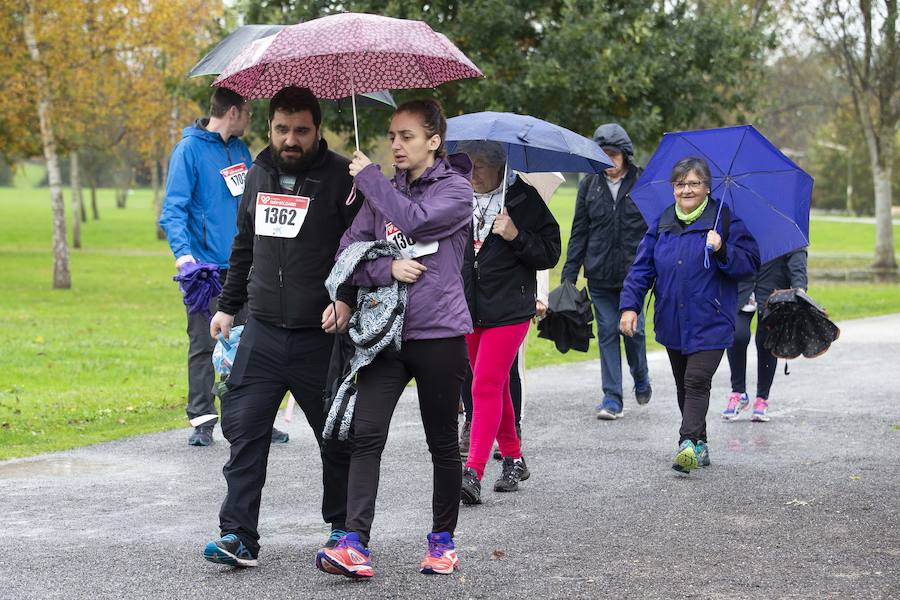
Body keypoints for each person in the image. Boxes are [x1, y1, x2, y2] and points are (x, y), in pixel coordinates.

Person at [201, 86, 358, 568]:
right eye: (282, 129)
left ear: (318, 131)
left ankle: (343, 531)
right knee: (245, 432)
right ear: (269, 128)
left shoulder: (341, 178)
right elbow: (244, 244)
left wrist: (348, 300)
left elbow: (362, 248)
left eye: (301, 131)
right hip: (263, 330)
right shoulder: (259, 172)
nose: (291, 139)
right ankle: (238, 536)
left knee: (336, 437)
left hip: (321, 335)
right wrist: (228, 307)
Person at [318, 99, 472, 578]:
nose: (396, 144)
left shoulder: (456, 190)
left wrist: (370, 181)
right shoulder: (383, 191)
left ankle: (442, 541)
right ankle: (355, 544)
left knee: (442, 442)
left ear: (434, 140)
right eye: (392, 135)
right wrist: (386, 268)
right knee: (366, 434)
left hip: (439, 332)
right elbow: (349, 251)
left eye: (407, 136)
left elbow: (417, 221)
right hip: (385, 334)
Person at [161, 87, 294, 446]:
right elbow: (173, 210)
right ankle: (203, 419)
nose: (251, 118)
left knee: (251, 344)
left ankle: (254, 420)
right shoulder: (188, 151)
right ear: (233, 112)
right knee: (206, 343)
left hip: (243, 264)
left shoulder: (239, 150)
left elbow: (255, 202)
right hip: (204, 271)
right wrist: (184, 256)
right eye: (249, 111)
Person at [619, 156, 760, 473]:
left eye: (694, 183)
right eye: (681, 184)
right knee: (685, 384)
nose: (687, 190)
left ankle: (685, 442)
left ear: (707, 187)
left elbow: (750, 263)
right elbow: (642, 268)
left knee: (697, 380)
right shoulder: (663, 222)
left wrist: (723, 249)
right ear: (673, 189)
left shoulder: (724, 220)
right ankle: (701, 444)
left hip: (712, 317)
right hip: (672, 317)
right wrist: (630, 306)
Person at [454, 141, 560, 504]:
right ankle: (514, 459)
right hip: (469, 309)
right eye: (468, 165)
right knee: (494, 386)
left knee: (483, 384)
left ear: (500, 167)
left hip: (511, 308)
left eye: (481, 165)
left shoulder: (523, 198)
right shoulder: (457, 197)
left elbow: (550, 251)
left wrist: (516, 235)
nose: (474, 173)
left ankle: (473, 471)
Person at [561, 124, 652, 420]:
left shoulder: (643, 183)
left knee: (634, 331)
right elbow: (579, 232)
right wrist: (568, 276)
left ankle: (641, 376)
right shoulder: (589, 185)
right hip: (599, 274)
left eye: (613, 155)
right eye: (603, 155)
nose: (609, 161)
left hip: (633, 277)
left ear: (625, 155)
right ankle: (612, 397)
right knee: (608, 332)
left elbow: (655, 232)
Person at [723, 249, 808, 422]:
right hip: (742, 287)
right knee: (737, 335)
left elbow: (797, 255)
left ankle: (762, 398)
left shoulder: (786, 227)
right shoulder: (742, 222)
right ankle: (738, 392)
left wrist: (799, 287)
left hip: (773, 291)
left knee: (766, 342)